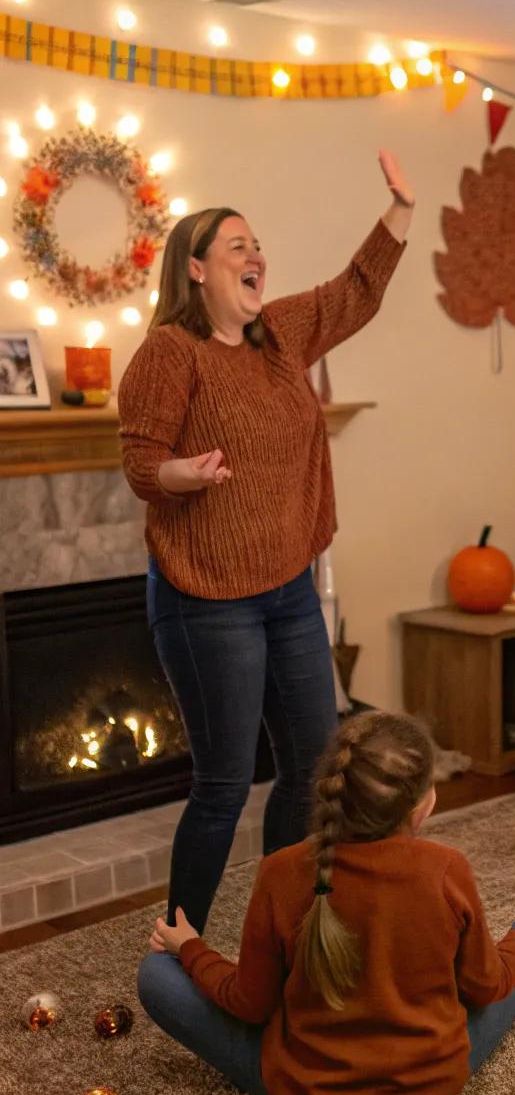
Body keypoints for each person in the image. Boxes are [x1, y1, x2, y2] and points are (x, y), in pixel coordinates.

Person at [118, 150, 414, 934]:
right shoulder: (170, 354)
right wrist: (184, 472)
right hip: (205, 596)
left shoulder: (278, 333)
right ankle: (177, 943)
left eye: (258, 246)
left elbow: (355, 293)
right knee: (222, 785)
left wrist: (401, 211)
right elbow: (141, 462)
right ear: (196, 269)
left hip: (286, 588)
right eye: (239, 247)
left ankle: (277, 929)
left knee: (312, 770)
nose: (258, 258)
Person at [137, 710, 515, 1095]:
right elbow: (485, 987)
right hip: (429, 1089)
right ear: (423, 804)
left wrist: (191, 948)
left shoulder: (280, 871)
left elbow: (250, 1004)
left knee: (157, 974)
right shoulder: (447, 869)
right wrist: (512, 950)